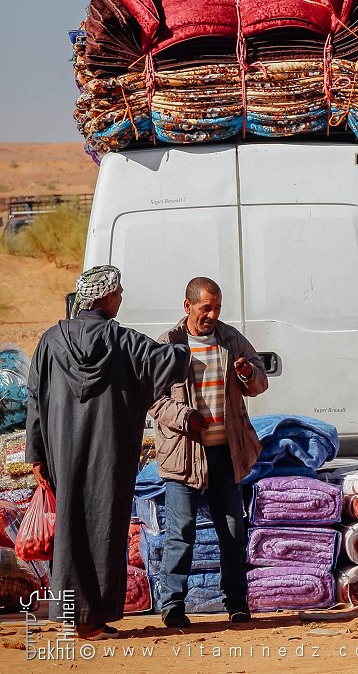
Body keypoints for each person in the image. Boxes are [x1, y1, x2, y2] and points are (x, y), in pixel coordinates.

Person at [25, 265, 190, 640]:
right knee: (105, 529)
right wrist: (181, 344)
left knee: (69, 529)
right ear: (106, 297)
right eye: (118, 293)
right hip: (109, 455)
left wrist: (37, 454)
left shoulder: (51, 341)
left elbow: (35, 399)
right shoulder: (124, 341)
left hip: (62, 453)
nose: (120, 299)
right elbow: (168, 363)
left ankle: (73, 617)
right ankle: (93, 620)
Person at [150, 277, 268, 629]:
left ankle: (236, 602)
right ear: (187, 307)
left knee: (233, 531)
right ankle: (172, 605)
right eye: (205, 308)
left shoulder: (231, 339)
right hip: (183, 455)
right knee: (180, 534)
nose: (212, 315)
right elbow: (154, 400)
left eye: (217, 308)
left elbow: (260, 383)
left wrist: (247, 373)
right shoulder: (168, 344)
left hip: (224, 455)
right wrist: (186, 417)